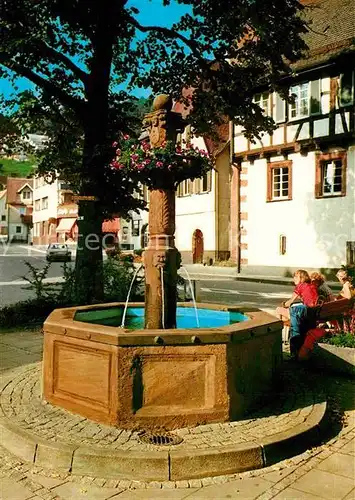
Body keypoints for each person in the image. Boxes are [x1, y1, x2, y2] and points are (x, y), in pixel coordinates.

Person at [276, 270, 319, 356]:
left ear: (302, 278)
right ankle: (285, 335)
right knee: (289, 315)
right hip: (313, 313)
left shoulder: (300, 286)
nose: (294, 279)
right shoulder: (311, 286)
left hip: (305, 314)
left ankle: (278, 336)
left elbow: (290, 301)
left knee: (278, 310)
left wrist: (284, 304)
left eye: (296, 277)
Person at [335, 269, 355, 333]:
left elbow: (349, 296)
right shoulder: (349, 284)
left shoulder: (346, 285)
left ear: (341, 278)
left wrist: (341, 295)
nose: (339, 280)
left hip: (348, 310)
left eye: (339, 278)